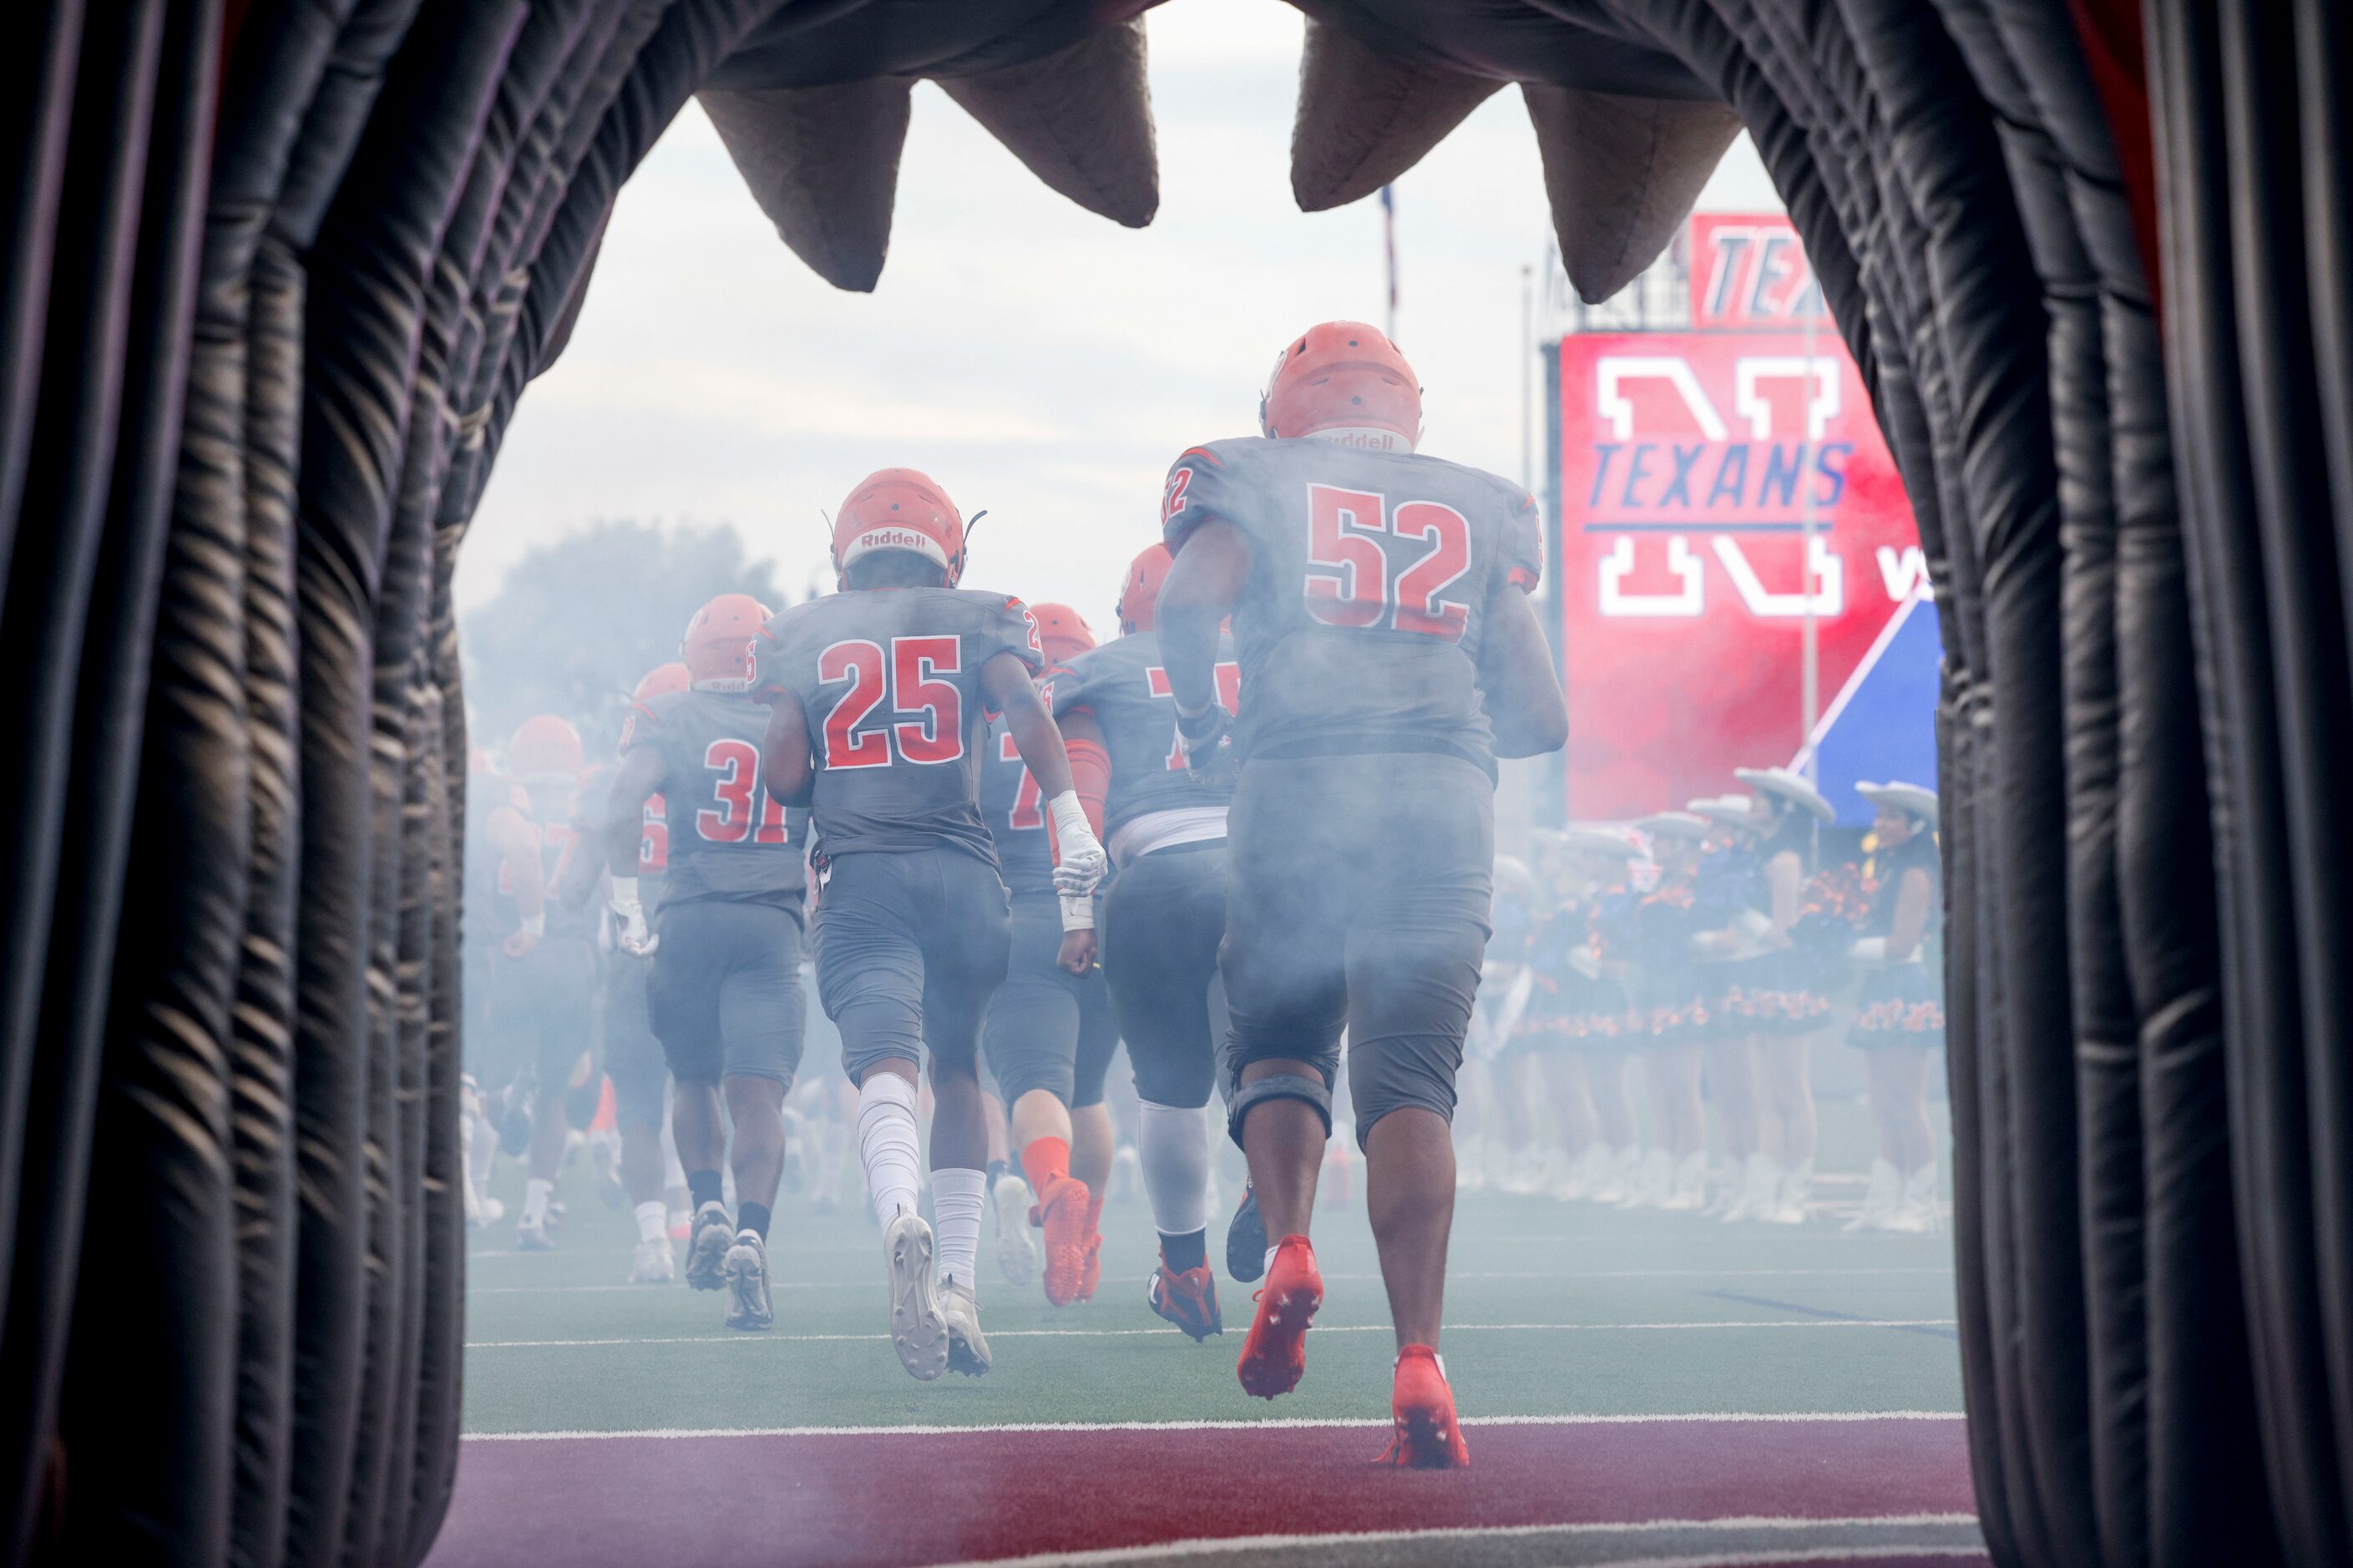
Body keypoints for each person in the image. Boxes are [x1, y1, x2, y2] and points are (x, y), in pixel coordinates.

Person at [1154, 321, 1568, 1467]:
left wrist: (1202, 731)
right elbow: (1542, 716)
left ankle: (1288, 1241)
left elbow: (1185, 606)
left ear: (1286, 403)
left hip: (1293, 781)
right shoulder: (1478, 504)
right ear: (1406, 409)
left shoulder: (1253, 475)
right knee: (1410, 1084)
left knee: (1278, 1034)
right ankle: (1420, 1359)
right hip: (1437, 801)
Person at [754, 469, 1108, 1381]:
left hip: (864, 873)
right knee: (957, 1071)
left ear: (847, 551)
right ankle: (955, 1279)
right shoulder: (984, 614)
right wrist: (1070, 822)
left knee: (886, 1062)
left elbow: (784, 774)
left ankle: (897, 1215)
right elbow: (1027, 711)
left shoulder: (801, 632)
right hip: (965, 876)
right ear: (948, 549)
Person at [600, 597, 812, 1332]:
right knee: (758, 1099)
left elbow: (622, 802)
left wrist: (627, 902)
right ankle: (752, 1232)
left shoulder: (672, 716)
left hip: (687, 917)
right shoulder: (793, 712)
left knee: (692, 1076)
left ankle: (707, 1205)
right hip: (769, 920)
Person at [1051, 544, 1239, 1339]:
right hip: (1263, 867)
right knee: (1259, 1060)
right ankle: (1277, 1190)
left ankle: (1184, 1270)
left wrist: (1079, 914)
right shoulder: (1267, 657)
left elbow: (1082, 802)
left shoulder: (1100, 672)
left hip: (1154, 875)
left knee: (1168, 1088)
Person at [977, 602, 1121, 1307]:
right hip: (1100, 918)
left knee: (1036, 1087)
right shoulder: (1101, 709)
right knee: (1088, 1094)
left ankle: (1051, 1186)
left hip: (1019, 916)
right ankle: (1085, 1240)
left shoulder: (985, 713)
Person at [560, 662, 690, 1282]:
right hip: (702, 945)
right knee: (706, 1091)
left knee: (638, 1103)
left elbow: (569, 891)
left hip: (633, 956)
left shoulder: (612, 784)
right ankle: (709, 1210)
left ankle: (653, 1243)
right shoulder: (728, 764)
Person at [492, 715, 600, 1251]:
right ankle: (533, 1214)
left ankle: (515, 1089)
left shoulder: (500, 807)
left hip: (513, 956)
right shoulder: (589, 809)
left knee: (490, 1079)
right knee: (557, 1092)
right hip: (570, 959)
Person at [1728, 766, 1837, 1225]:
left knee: (1791, 1090)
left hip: (1786, 979)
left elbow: (1784, 931)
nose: (1751, 806)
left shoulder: (1786, 859)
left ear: (1781, 809)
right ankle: (1764, 1189)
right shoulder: (1759, 854)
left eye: (1759, 800)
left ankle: (1795, 1191)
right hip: (1761, 975)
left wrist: (1742, 921)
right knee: (1765, 1091)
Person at [1846, 781, 1943, 1232]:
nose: (1880, 824)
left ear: (1914, 825)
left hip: (1904, 986)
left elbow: (1902, 944)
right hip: (1880, 987)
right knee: (1883, 1106)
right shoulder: (1887, 868)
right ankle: (1883, 1201)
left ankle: (1920, 1206)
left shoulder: (1916, 873)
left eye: (1890, 817)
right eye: (1878, 815)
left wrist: (1838, 949)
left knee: (1906, 1102)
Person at [1627, 811, 1713, 1209]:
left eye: (1662, 839)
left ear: (1682, 844)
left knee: (1683, 1088)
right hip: (1653, 990)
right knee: (1659, 1090)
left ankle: (1690, 1181)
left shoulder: (1702, 886)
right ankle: (1661, 1176)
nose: (1655, 847)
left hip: (1684, 989)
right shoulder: (1660, 883)